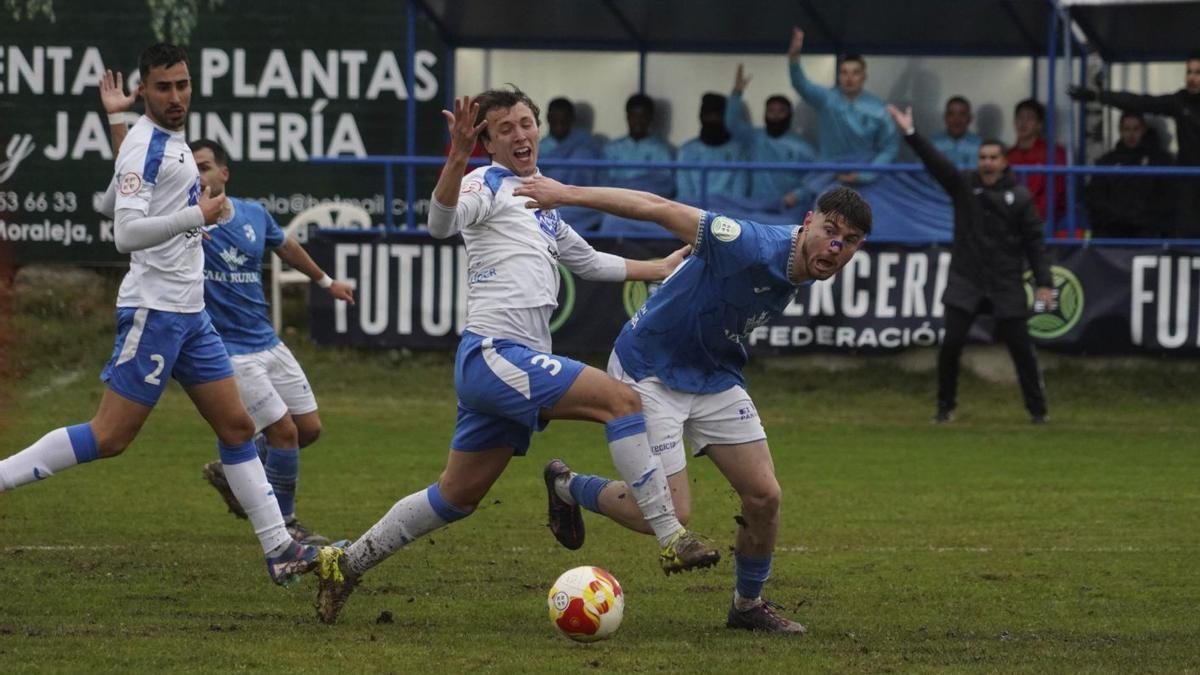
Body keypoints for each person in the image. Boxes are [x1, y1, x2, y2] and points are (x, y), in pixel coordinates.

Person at [311, 87, 720, 625]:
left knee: (455, 497)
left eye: (525, 123)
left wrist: (659, 269)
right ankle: (671, 539)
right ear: (486, 142)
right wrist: (457, 158)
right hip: (494, 355)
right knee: (621, 401)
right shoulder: (483, 183)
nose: (520, 134)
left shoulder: (540, 199)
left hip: (505, 367)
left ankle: (344, 564)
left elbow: (590, 261)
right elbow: (440, 223)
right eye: (504, 129)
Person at [0, 44, 320, 587]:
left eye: (183, 85)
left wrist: (119, 120)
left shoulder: (169, 143)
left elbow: (142, 193)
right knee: (110, 437)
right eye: (164, 87)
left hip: (192, 315)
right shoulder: (148, 148)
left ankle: (281, 550)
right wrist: (200, 212)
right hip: (155, 312)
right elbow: (125, 232)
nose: (177, 96)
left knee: (238, 426)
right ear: (145, 89)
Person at [512, 176, 873, 635]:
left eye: (851, 241)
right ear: (807, 223)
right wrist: (566, 194)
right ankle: (567, 487)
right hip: (651, 367)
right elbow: (655, 205)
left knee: (764, 496)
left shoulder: (805, 263)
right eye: (830, 230)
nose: (836, 246)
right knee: (668, 513)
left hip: (715, 373)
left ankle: (747, 606)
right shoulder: (746, 242)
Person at [99, 75, 358, 545]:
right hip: (229, 350)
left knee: (309, 428)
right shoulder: (186, 221)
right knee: (283, 433)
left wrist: (326, 281)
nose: (197, 175)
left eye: (205, 167)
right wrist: (119, 120)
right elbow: (133, 172)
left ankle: (233, 469)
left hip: (267, 340)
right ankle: (287, 527)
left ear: (224, 174)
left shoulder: (253, 214)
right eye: (191, 167)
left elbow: (287, 246)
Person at [886, 104, 1053, 425]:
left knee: (1021, 349)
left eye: (993, 158)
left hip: (1005, 282)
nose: (987, 163)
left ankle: (1038, 412)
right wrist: (910, 132)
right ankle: (944, 408)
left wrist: (1044, 282)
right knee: (950, 346)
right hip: (967, 280)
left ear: (1004, 162)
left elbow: (1035, 242)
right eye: (983, 158)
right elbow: (937, 165)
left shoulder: (1019, 197)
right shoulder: (964, 185)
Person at [1070, 57, 1200, 237]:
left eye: (1198, 73)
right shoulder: (1180, 101)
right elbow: (1141, 102)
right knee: (1189, 236)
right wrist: (1098, 96)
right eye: (1189, 72)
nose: (1192, 78)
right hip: (1188, 182)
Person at [788, 27, 898, 185]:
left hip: (868, 178)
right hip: (829, 176)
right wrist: (794, 59)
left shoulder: (879, 109)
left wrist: (864, 175)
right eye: (844, 72)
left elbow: (890, 148)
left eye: (855, 72)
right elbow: (801, 84)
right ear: (839, 76)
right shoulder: (827, 99)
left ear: (864, 76)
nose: (849, 78)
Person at [726, 64, 817, 208]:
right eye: (771, 111)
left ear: (789, 115)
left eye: (781, 111)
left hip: (787, 210)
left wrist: (797, 195)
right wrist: (736, 93)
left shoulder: (802, 147)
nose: (775, 115)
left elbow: (815, 178)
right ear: (765, 113)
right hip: (755, 207)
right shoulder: (754, 138)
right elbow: (732, 124)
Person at [1084, 112, 1174, 238]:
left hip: (1148, 230)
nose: (1131, 134)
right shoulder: (1107, 161)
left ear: (1144, 130)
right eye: (1126, 129)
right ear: (1120, 131)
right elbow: (1095, 196)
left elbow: (1167, 198)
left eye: (1136, 129)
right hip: (1114, 229)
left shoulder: (1160, 160)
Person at [540, 97, 603, 229]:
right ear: (548, 118)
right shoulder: (539, 147)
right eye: (555, 119)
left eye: (564, 120)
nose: (560, 124)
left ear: (572, 119)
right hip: (551, 201)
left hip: (580, 203)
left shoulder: (586, 143)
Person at [1006, 99, 1068, 230]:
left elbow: (1053, 196)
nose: (1023, 123)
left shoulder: (1055, 154)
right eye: (1020, 118)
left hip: (1044, 221)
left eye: (1029, 118)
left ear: (1040, 125)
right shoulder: (1007, 156)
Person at [676, 93, 749, 204]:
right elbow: (685, 194)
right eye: (708, 115)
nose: (712, 119)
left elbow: (739, 194)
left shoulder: (737, 151)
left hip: (730, 213)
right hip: (694, 213)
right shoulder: (687, 150)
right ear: (701, 116)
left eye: (717, 115)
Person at [602, 94, 675, 197]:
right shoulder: (611, 149)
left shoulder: (662, 150)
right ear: (627, 117)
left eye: (643, 116)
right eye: (634, 116)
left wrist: (628, 188)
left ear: (650, 118)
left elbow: (665, 186)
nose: (638, 121)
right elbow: (604, 183)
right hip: (615, 205)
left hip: (647, 207)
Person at [931, 96, 982, 167]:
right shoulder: (932, 145)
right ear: (945, 117)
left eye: (962, 114)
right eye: (951, 114)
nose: (957, 120)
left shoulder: (980, 146)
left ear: (970, 118)